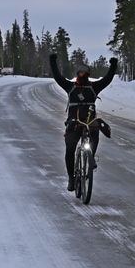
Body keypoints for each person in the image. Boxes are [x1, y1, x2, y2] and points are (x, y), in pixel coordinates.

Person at [49, 53, 118, 191]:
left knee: (95, 130)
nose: (83, 75)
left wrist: (113, 65)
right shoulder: (71, 87)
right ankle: (71, 178)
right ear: (77, 74)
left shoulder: (93, 87)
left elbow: (107, 79)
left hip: (89, 121)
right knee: (70, 150)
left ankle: (90, 158)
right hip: (74, 123)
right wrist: (53, 61)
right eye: (80, 73)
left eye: (85, 73)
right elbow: (57, 77)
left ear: (88, 74)